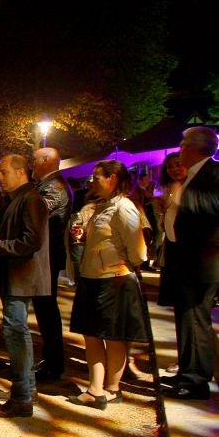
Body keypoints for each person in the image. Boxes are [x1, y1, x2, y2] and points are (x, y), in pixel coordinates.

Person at [67, 160, 150, 409]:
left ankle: (108, 389)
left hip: (114, 280)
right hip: (94, 278)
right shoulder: (103, 206)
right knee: (92, 335)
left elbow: (139, 251)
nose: (92, 181)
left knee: (113, 337)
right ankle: (98, 388)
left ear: (112, 179)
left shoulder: (124, 208)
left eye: (97, 177)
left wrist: (119, 263)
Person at [0, 154, 49, 418]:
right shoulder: (21, 198)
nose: (0, 177)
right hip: (16, 276)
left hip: (21, 277)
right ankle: (26, 389)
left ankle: (21, 397)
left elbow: (31, 241)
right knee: (17, 332)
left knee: (15, 332)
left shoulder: (31, 199)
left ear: (20, 172)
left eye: (4, 172)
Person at [161, 126, 219, 400]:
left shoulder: (213, 174)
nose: (180, 150)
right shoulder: (192, 177)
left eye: (183, 145)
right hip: (186, 261)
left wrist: (183, 195)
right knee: (185, 318)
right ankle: (187, 371)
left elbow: (211, 206)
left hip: (204, 262)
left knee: (196, 319)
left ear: (195, 148)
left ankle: (197, 380)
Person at [30, 147, 72, 383]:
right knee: (45, 311)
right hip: (46, 255)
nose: (32, 164)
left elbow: (34, 214)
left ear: (46, 161)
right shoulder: (49, 185)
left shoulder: (54, 187)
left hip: (47, 256)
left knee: (47, 311)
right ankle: (51, 360)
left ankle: (54, 363)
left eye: (34, 160)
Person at [155, 152, 187, 307]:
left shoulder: (192, 187)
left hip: (187, 246)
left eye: (178, 164)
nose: (174, 169)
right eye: (169, 167)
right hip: (172, 243)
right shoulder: (168, 189)